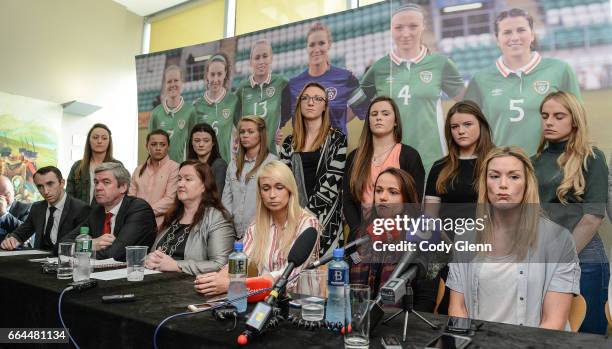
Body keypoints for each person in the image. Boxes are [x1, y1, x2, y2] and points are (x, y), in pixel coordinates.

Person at [448, 146, 581, 330]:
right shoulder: (466, 235)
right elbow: (458, 308)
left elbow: (553, 323)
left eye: (514, 176)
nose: (503, 184)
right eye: (494, 176)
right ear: (484, 184)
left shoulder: (558, 240)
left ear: (527, 184)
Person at [532, 91, 609, 334]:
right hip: (543, 259)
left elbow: (592, 217)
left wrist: (558, 258)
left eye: (558, 116)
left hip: (584, 259)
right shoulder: (534, 161)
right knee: (549, 334)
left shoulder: (592, 157)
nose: (549, 122)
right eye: (545, 116)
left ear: (574, 120)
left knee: (587, 337)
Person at [360, 4, 464, 172]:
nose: (406, 33)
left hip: (432, 159)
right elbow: (353, 108)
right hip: (388, 162)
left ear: (423, 26)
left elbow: (470, 102)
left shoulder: (441, 64)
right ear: (391, 30)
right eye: (399, 27)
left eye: (413, 26)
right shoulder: (379, 68)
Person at [464, 8, 581, 156]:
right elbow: (467, 129)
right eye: (507, 32)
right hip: (501, 169)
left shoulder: (560, 69)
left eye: (521, 30)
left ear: (532, 35)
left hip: (551, 166)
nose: (514, 37)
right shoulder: (480, 80)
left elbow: (578, 121)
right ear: (497, 39)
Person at [194, 161, 319, 295]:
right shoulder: (256, 225)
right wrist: (218, 278)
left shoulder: (308, 223)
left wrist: (234, 284)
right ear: (260, 193)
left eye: (279, 187)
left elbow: (289, 276)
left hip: (302, 304)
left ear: (290, 189)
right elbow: (241, 258)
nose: (272, 195)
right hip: (265, 299)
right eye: (266, 188)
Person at [343, 96, 425, 250]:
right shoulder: (354, 157)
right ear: (368, 121)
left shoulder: (409, 155)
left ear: (395, 122)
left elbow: (414, 202)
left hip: (398, 240)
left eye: (385, 113)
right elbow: (348, 201)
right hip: (360, 240)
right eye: (374, 114)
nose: (379, 117)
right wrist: (358, 234)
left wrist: (394, 233)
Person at [350, 168, 435, 309]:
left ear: (406, 199)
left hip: (400, 323)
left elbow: (426, 299)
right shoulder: (361, 234)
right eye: (378, 190)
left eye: (393, 192)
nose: (382, 197)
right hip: (359, 318)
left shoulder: (422, 236)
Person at [280, 82, 346, 257]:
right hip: (292, 221)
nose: (311, 103)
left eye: (318, 99)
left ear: (325, 106)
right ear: (299, 103)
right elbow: (283, 183)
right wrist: (295, 218)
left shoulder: (337, 139)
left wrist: (306, 217)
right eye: (306, 98)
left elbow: (332, 184)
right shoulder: (288, 143)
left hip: (326, 222)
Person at [145, 161, 235, 275]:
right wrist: (150, 259)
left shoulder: (217, 217)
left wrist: (177, 265)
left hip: (193, 286)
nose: (180, 184)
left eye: (188, 179)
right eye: (179, 179)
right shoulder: (173, 215)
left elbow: (221, 264)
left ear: (204, 186)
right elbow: (155, 253)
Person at [281, 21, 369, 136]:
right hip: (302, 150)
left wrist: (341, 119)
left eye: (321, 43)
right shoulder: (293, 84)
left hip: (335, 150)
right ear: (307, 48)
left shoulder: (345, 77)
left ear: (329, 44)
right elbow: (279, 121)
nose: (316, 49)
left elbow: (363, 108)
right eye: (312, 45)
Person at [63, 162, 156, 261]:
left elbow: (114, 254)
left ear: (123, 187)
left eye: (106, 182)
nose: (98, 188)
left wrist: (85, 246)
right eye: (96, 182)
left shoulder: (139, 209)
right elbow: (62, 245)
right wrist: (90, 244)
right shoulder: (97, 211)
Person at [424, 101, 495, 227]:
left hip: (487, 241)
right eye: (455, 126)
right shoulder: (439, 167)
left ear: (481, 125)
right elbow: (430, 219)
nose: (461, 131)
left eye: (467, 124)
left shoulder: (496, 162)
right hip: (447, 242)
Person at [0, 167, 90, 253]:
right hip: (39, 262)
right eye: (40, 186)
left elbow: (82, 244)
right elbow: (21, 233)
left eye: (50, 184)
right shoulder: (37, 208)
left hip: (68, 262)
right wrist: (12, 240)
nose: (45, 191)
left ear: (62, 183)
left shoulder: (81, 209)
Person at [222, 116, 277, 239]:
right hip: (234, 235)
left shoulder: (272, 163)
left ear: (261, 134)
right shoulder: (233, 165)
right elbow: (226, 201)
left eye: (250, 132)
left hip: (263, 234)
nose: (245, 135)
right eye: (242, 132)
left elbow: (275, 202)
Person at [235, 39, 287, 154]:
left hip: (272, 153)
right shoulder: (242, 88)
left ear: (271, 58)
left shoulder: (280, 82)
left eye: (265, 56)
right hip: (248, 154)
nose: (261, 61)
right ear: (251, 62)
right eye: (257, 58)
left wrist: (284, 129)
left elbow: (294, 106)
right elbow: (233, 119)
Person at [191, 53, 239, 163]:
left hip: (225, 165)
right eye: (212, 74)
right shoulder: (197, 106)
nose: (215, 79)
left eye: (219, 74)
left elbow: (242, 129)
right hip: (203, 167)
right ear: (207, 74)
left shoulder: (233, 100)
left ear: (225, 74)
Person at [129, 129, 179, 229]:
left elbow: (170, 200)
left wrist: (144, 212)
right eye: (154, 144)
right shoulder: (138, 170)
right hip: (137, 224)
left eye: (162, 144)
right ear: (147, 146)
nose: (158, 148)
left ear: (168, 146)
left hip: (163, 226)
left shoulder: (175, 168)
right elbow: (130, 198)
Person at [148, 65, 196, 163]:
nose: (172, 84)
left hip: (181, 171)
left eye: (176, 80)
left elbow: (193, 144)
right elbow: (150, 147)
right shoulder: (155, 113)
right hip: (160, 171)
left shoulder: (190, 111)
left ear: (182, 82)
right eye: (169, 81)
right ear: (164, 85)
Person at [66, 123, 122, 205]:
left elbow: (122, 195)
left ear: (109, 142)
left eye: (104, 138)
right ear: (89, 140)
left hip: (106, 215)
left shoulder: (116, 166)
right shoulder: (77, 166)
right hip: (79, 215)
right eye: (95, 137)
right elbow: (69, 195)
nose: (99, 141)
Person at [187, 123, 227, 194]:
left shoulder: (219, 165)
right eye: (197, 140)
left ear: (213, 143)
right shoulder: (188, 165)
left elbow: (217, 196)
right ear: (191, 143)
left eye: (206, 141)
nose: (201, 145)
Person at [0, 175, 32, 241]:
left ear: (14, 192)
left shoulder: (26, 208)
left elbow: (27, 232)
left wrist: (4, 214)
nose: (2, 199)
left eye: (6, 194)